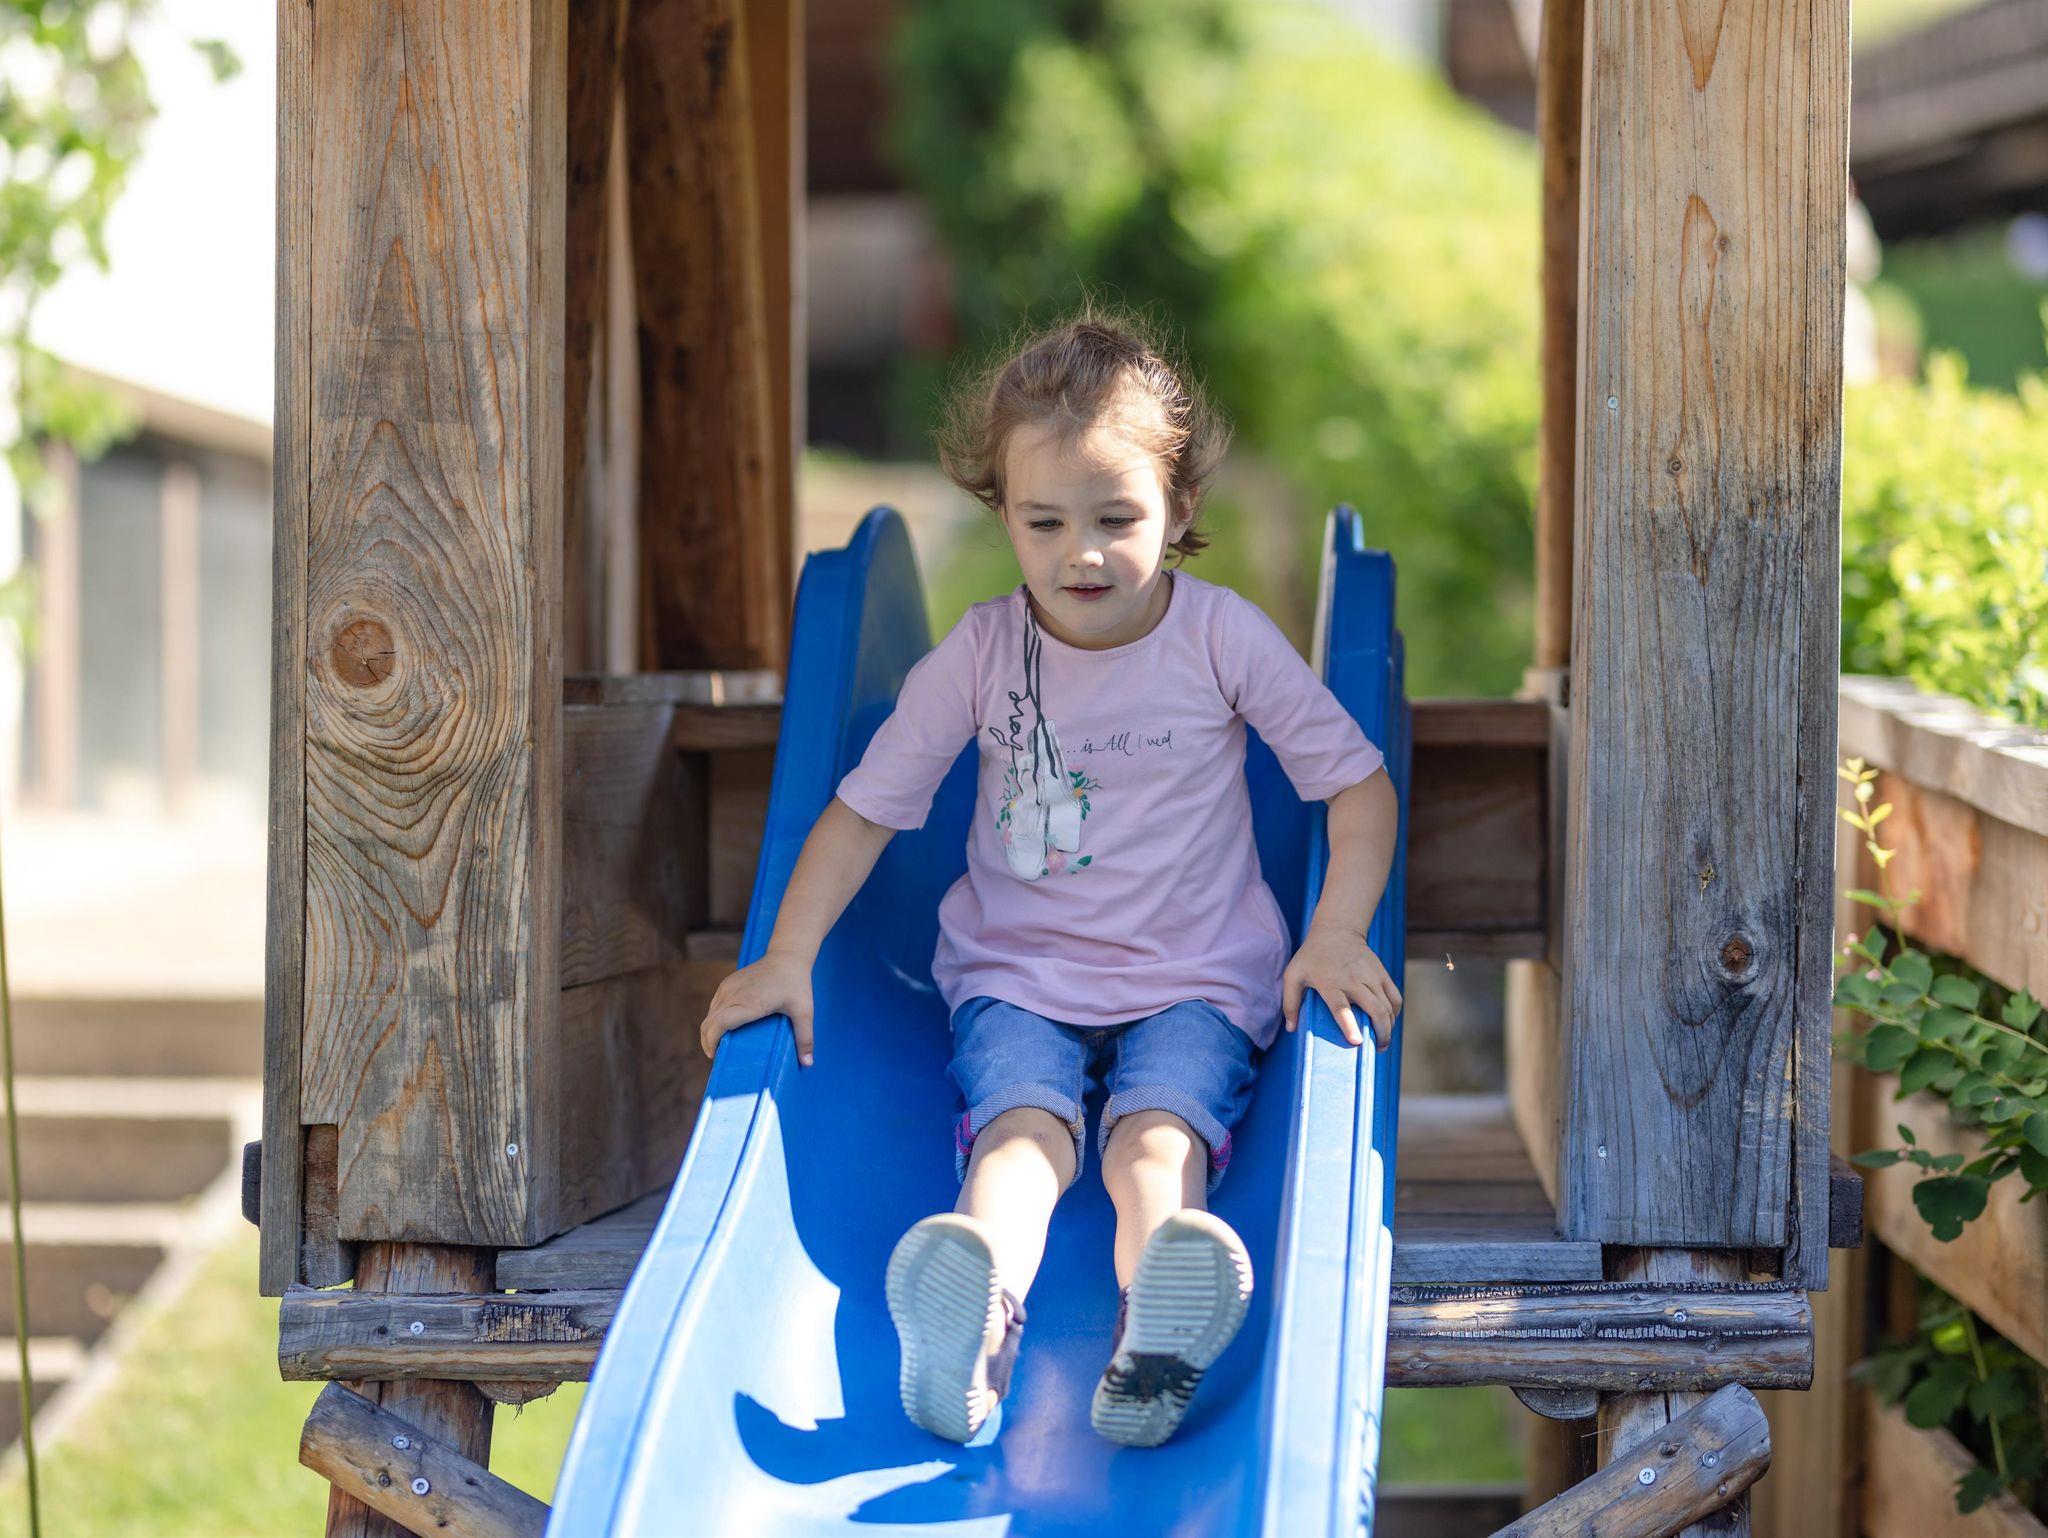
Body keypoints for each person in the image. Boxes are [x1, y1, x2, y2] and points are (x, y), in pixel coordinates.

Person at [696, 308, 1401, 1448]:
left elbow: (1356, 786)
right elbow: (862, 814)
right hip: (1019, 979)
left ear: (1180, 508)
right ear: (1004, 517)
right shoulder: (980, 656)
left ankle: (1157, 1328)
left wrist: (1336, 931)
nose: (1082, 553)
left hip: (1193, 977)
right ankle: (971, 1307)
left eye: (1117, 518)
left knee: (1154, 1142)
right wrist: (786, 956)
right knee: (1019, 1138)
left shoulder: (1220, 638)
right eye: (1045, 522)